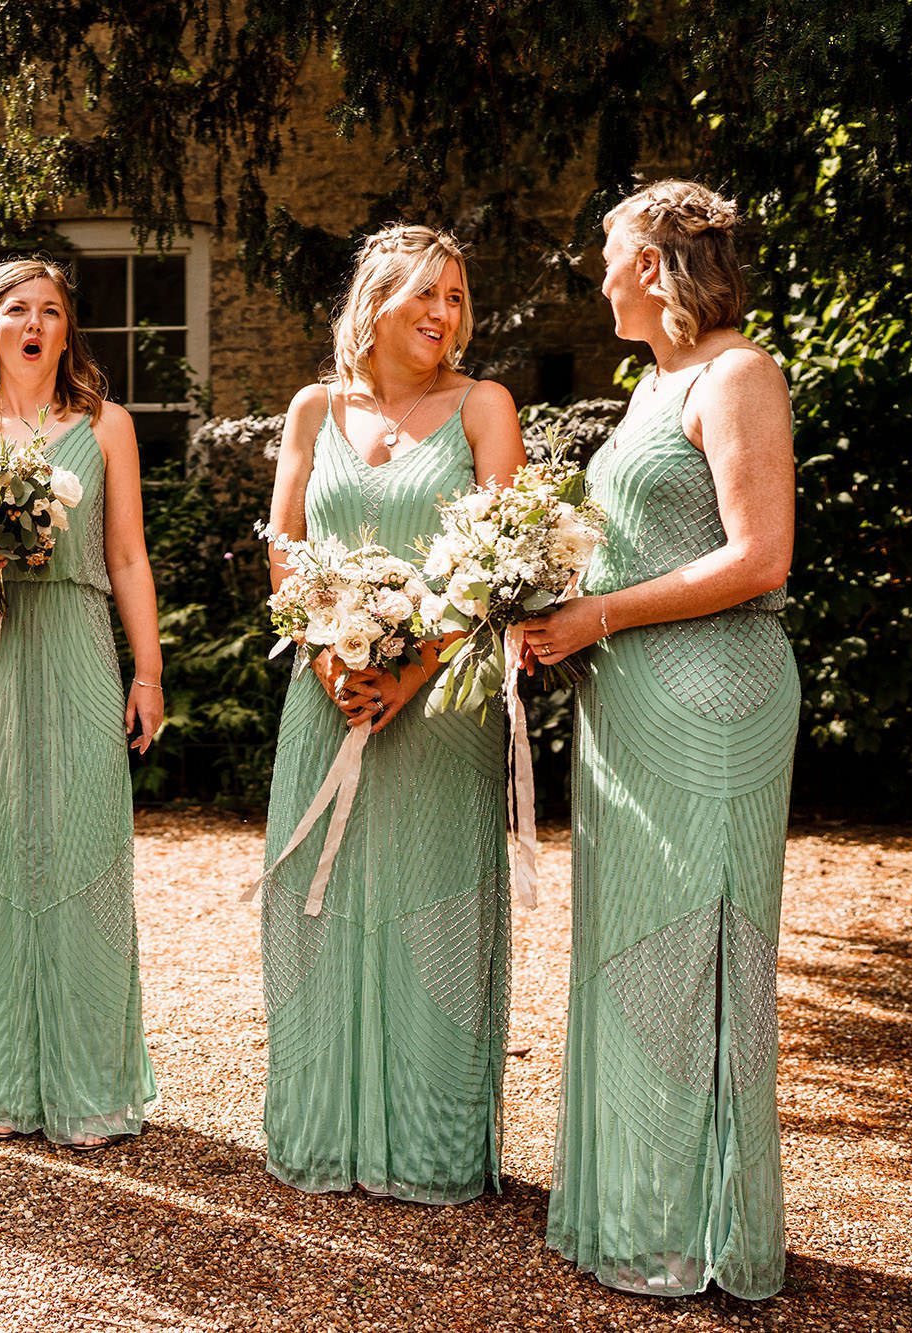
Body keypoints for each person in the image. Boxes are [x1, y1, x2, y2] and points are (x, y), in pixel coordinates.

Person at [527, 179, 798, 1299]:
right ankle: (630, 1206)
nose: (596, 278)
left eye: (606, 256)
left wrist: (597, 613)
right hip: (627, 704)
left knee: (697, 952)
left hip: (713, 701)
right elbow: (638, 540)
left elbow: (757, 557)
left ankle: (704, 1228)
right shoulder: (653, 384)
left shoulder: (739, 373)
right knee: (630, 944)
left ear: (652, 262)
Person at [260, 223, 525, 1201]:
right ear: (373, 302)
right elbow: (284, 544)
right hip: (321, 692)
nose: (442, 313)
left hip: (440, 703)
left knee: (430, 908)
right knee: (318, 906)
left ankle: (426, 1143)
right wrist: (328, 650)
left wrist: (408, 672)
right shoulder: (310, 409)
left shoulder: (481, 407)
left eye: (454, 297)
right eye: (423, 293)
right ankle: (324, 1129)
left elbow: (499, 562)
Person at [0, 258, 162, 1149]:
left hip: (77, 643)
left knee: (82, 848)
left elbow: (127, 555)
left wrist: (149, 670)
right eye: (18, 308)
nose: (35, 322)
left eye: (51, 311)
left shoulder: (106, 427)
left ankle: (87, 1082)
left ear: (66, 331)